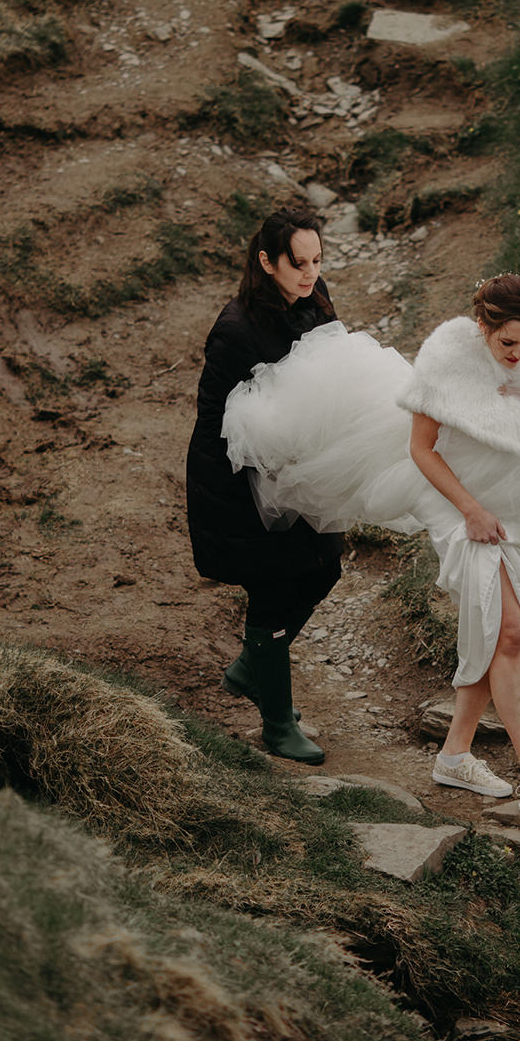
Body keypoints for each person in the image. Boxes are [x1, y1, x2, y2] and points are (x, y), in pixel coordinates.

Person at [220, 274, 520, 811]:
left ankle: (453, 756)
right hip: (459, 504)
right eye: (508, 343)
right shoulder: (446, 363)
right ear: (483, 328)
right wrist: (470, 510)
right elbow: (422, 449)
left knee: (493, 633)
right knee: (510, 632)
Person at [185, 207, 339, 765]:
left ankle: (253, 669)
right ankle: (277, 724)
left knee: (326, 566)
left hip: (298, 471)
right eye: (297, 263)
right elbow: (223, 421)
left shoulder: (315, 300)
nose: (309, 273)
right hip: (239, 481)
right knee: (273, 588)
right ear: (266, 261)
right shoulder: (235, 329)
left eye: (317, 260)